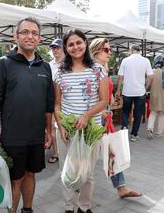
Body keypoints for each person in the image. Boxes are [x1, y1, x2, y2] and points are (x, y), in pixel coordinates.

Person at [0, 17, 54, 213]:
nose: (29, 36)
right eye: (25, 32)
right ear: (15, 36)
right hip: (13, 136)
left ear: (39, 38)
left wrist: (49, 131)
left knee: (31, 174)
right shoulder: (4, 64)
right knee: (16, 179)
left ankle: (28, 209)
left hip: (36, 136)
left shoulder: (45, 67)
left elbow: (49, 103)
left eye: (34, 33)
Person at [53, 29, 108, 213]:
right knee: (67, 170)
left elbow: (104, 100)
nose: (75, 47)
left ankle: (84, 207)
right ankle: (69, 207)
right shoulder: (60, 72)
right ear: (66, 48)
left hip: (90, 130)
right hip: (67, 130)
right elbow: (57, 104)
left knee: (88, 173)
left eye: (79, 42)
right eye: (70, 44)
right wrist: (60, 127)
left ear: (85, 43)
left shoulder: (98, 70)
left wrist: (86, 116)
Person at [89, 38, 143, 198]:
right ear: (95, 51)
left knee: (113, 152)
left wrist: (111, 101)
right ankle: (78, 191)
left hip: (104, 119)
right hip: (92, 121)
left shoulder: (103, 69)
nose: (110, 52)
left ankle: (121, 188)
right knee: (86, 159)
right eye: (106, 49)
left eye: (110, 49)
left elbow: (107, 96)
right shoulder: (90, 70)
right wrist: (100, 112)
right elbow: (86, 100)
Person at [115, 45, 153, 141]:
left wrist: (118, 90)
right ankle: (134, 134)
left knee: (125, 111)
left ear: (131, 51)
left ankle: (124, 128)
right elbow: (150, 77)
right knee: (138, 113)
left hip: (127, 91)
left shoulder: (125, 60)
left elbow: (120, 76)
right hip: (140, 92)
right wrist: (146, 87)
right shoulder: (146, 61)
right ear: (139, 51)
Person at [146, 55, 164, 138]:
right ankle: (159, 132)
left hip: (154, 94)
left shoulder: (151, 71)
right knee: (162, 114)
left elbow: (148, 82)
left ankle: (149, 128)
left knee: (153, 112)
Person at [48, 38, 65, 164]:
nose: (55, 50)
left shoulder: (69, 64)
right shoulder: (49, 65)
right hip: (52, 100)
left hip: (66, 101)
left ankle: (66, 150)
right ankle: (56, 152)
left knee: (65, 126)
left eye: (58, 47)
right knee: (52, 127)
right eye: (53, 48)